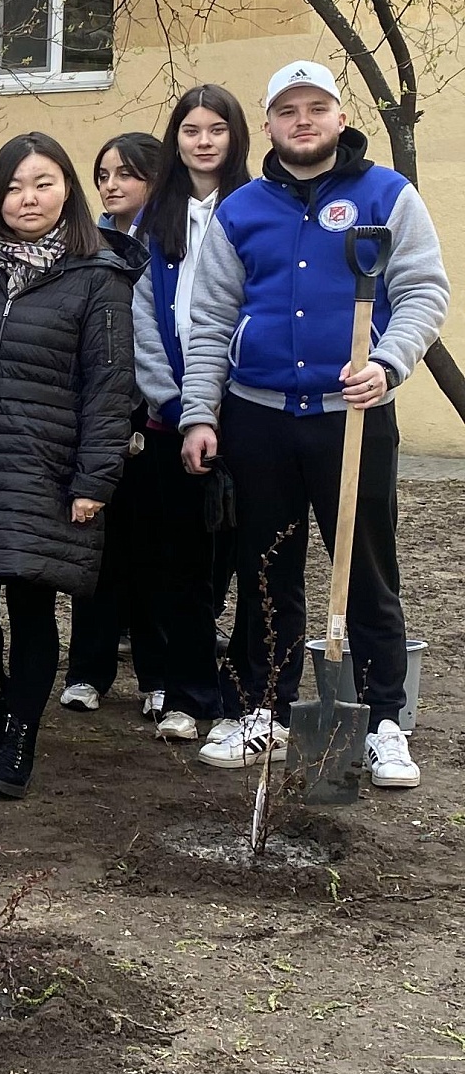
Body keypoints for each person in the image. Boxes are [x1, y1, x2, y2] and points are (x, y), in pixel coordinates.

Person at [181, 61, 450, 786]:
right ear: (268, 125)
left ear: (339, 117)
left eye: (316, 108)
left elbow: (424, 290)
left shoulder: (386, 197)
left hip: (353, 416)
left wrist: (388, 363)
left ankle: (383, 720)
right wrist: (201, 412)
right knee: (264, 567)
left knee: (365, 570)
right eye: (288, 110)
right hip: (260, 418)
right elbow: (209, 320)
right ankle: (260, 710)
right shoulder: (243, 210)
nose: (303, 120)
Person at [0, 133, 136, 797]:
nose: (27, 198)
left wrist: (95, 478)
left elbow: (109, 384)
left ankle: (18, 738)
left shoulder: (96, 276)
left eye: (42, 183)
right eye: (13, 186)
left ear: (66, 189)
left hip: (46, 466)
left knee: (33, 606)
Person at [105, 86, 254, 743]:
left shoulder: (256, 207)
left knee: (246, 558)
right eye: (190, 129)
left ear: (236, 136)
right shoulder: (152, 220)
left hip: (247, 410)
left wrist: (223, 401)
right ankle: (189, 692)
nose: (203, 140)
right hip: (169, 418)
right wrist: (171, 400)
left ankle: (248, 692)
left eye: (216, 128)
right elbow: (138, 317)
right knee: (181, 562)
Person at [58, 130, 162, 717]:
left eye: (125, 174)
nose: (112, 185)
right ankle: (87, 671)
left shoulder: (171, 239)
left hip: (159, 413)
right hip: (100, 415)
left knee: (153, 555)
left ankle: (156, 677)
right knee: (95, 554)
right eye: (102, 175)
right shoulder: (92, 243)